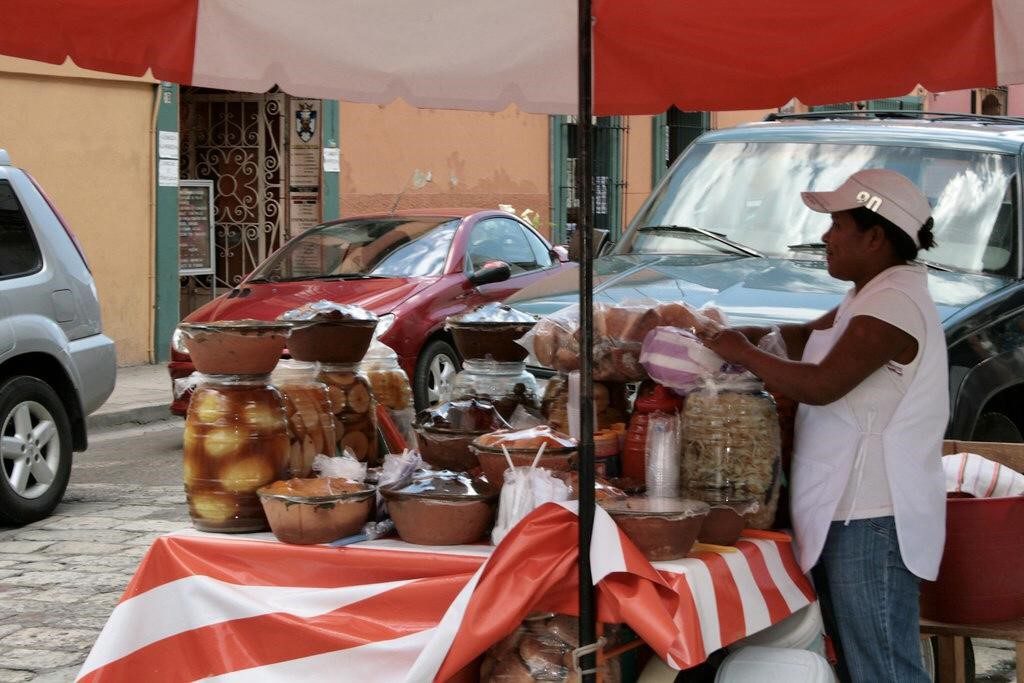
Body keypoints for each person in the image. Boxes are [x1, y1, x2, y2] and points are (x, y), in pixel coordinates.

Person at [699, 169, 947, 682]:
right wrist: (729, 335)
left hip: (873, 514)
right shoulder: (870, 294)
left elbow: (821, 383)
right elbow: (801, 339)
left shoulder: (895, 302)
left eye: (837, 225)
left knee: (884, 668)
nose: (825, 238)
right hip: (848, 507)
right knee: (863, 664)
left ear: (875, 236)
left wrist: (741, 351)